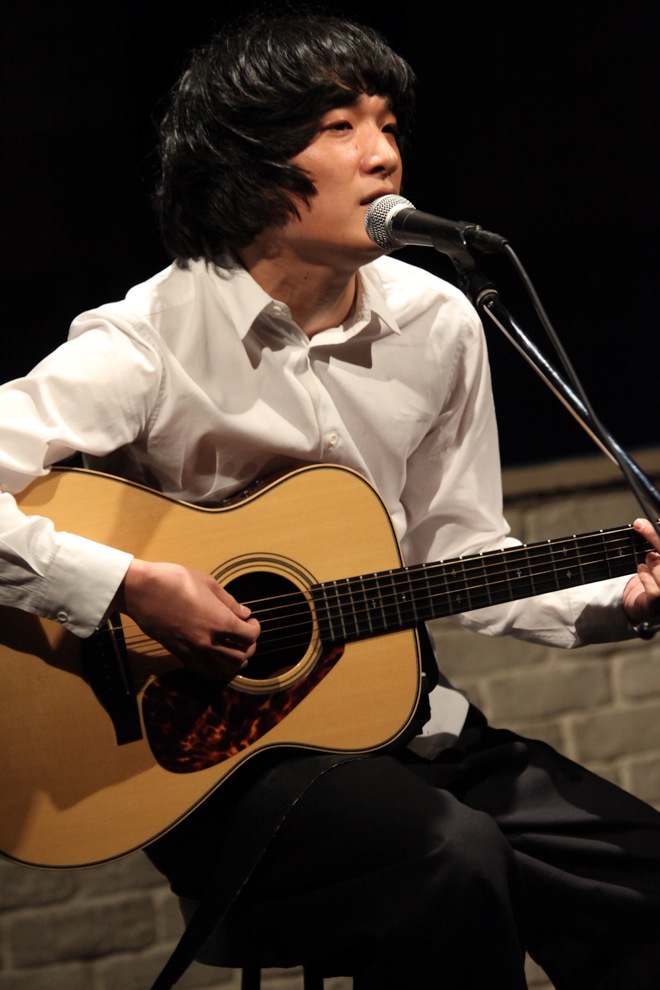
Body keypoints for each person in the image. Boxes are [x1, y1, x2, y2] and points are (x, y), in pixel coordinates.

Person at [2, 13, 660, 989]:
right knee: (447, 860)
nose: (383, 154)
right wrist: (127, 586)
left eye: (388, 124)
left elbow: (459, 555)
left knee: (639, 874)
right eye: (340, 128)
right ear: (247, 161)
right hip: (214, 767)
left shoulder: (438, 321)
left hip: (408, 728)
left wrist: (622, 602)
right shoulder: (144, 342)